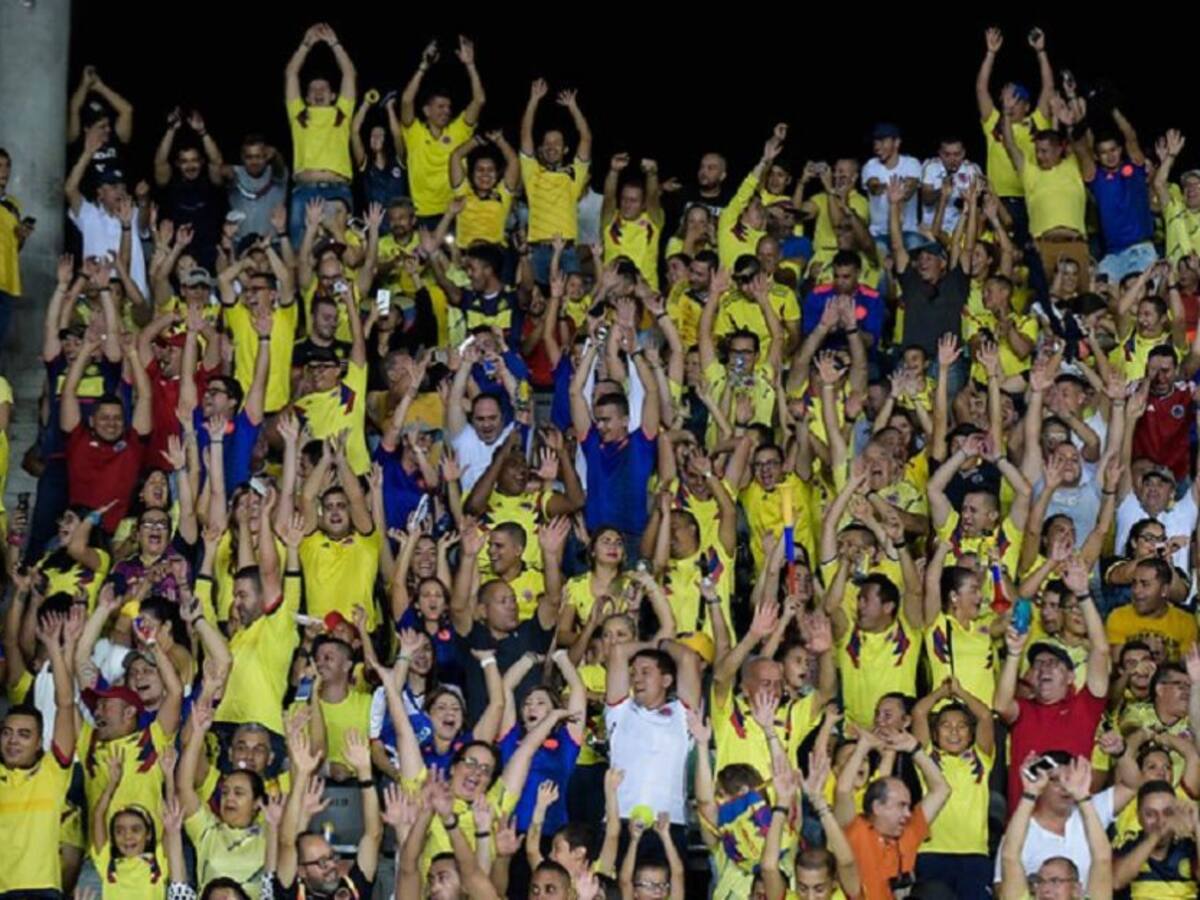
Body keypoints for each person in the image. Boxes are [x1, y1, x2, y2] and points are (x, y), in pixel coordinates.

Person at [284, 23, 357, 243]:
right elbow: (291, 75)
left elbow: (349, 75)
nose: (318, 93)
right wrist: (306, 44)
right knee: (300, 254)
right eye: (313, 90)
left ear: (333, 95)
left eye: (323, 89)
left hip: (337, 191)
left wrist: (334, 43)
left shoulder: (341, 115)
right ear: (306, 98)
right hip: (304, 191)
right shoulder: (299, 117)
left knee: (336, 250)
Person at [400, 36, 485, 224]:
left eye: (448, 107)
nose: (446, 111)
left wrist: (470, 65)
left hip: (457, 211)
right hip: (423, 213)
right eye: (440, 107)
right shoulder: (415, 133)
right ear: (426, 111)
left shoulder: (458, 131)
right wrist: (423, 66)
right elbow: (406, 100)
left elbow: (479, 100)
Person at [520, 79, 593, 281]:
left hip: (568, 251)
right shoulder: (532, 172)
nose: (551, 146)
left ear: (565, 149)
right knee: (535, 305)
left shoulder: (573, 174)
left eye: (557, 143)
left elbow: (586, 138)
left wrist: (573, 107)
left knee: (570, 308)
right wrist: (533, 100)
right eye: (547, 143)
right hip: (538, 252)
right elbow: (525, 134)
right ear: (541, 148)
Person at [862, 122, 922, 251]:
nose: (877, 147)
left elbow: (908, 192)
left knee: (915, 245)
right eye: (875, 142)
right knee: (879, 252)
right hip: (879, 233)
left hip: (907, 231)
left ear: (897, 142)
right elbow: (874, 187)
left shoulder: (911, 163)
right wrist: (890, 189)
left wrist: (900, 192)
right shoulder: (870, 165)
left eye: (882, 141)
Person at [0, 147, 34, 344]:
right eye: (0, 166)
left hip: (8, 282)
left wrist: (21, 237)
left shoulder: (14, 205)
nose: (4, 171)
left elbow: (15, 247)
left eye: (7, 166)